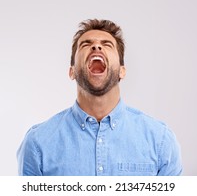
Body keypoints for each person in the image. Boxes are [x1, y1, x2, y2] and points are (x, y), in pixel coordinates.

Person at [17, 19, 182, 176]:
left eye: (107, 44)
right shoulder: (37, 143)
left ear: (122, 71)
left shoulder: (160, 141)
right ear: (72, 71)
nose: (96, 46)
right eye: (86, 44)